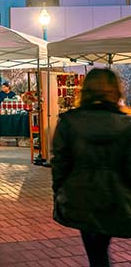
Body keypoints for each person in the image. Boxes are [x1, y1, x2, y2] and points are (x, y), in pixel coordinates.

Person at [51, 68, 131, 267]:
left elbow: (60, 164)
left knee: (97, 257)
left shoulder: (69, 122)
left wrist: (59, 192)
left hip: (82, 198)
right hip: (120, 198)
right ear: (116, 91)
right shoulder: (128, 125)